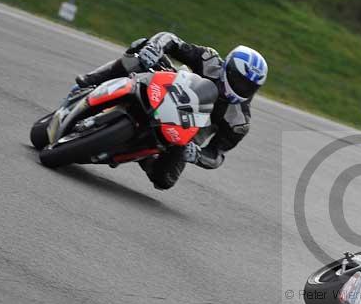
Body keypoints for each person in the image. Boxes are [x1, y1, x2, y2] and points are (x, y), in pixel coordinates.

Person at [75, 32, 268, 189]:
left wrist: (198, 155)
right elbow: (172, 40)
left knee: (164, 180)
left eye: (248, 86)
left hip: (186, 133)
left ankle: (146, 155)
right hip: (170, 89)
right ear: (227, 67)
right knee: (140, 51)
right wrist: (155, 47)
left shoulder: (239, 121)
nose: (242, 87)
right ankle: (91, 81)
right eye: (239, 80)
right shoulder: (209, 60)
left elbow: (217, 154)